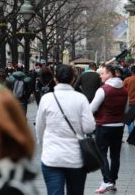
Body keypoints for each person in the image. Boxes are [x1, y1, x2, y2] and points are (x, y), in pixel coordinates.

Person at [36, 64, 95, 195]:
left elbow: (40, 126)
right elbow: (89, 127)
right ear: (73, 79)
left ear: (55, 79)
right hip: (75, 157)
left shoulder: (46, 99)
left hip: (52, 156)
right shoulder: (81, 99)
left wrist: (43, 143)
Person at [90, 64, 128, 193]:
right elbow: (126, 108)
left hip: (104, 125)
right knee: (115, 155)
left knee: (101, 154)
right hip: (118, 126)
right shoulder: (124, 89)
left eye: (103, 73)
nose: (100, 75)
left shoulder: (103, 89)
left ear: (110, 74)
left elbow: (92, 108)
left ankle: (107, 181)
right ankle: (113, 181)